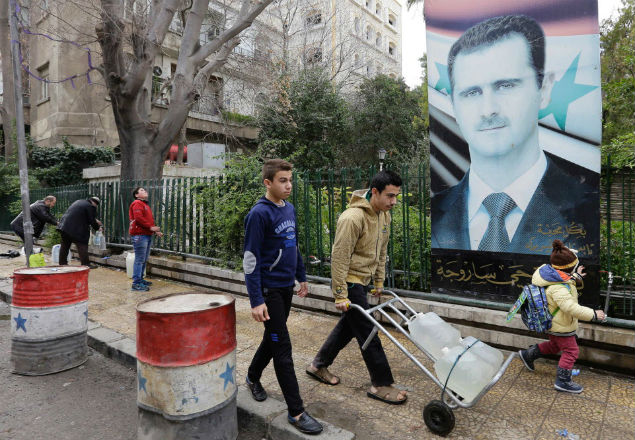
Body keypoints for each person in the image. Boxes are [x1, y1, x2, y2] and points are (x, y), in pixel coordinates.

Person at [431, 15, 598, 254]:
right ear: (453, 104)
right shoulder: (437, 212)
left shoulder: (586, 209)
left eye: (506, 86)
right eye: (471, 93)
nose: (488, 110)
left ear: (545, 89)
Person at [306, 170, 408, 405]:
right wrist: (340, 294)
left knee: (348, 327)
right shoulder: (352, 218)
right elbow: (340, 257)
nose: (394, 202)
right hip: (350, 281)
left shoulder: (384, 215)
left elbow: (382, 251)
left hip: (363, 280)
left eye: (396, 197)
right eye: (390, 196)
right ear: (374, 192)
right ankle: (381, 383)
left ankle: (318, 365)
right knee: (368, 331)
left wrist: (379, 281)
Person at [243, 159, 323, 436]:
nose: (289, 185)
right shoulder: (259, 214)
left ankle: (252, 376)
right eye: (282, 180)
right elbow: (250, 259)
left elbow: (292, 244)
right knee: (282, 347)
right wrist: (256, 299)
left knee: (272, 336)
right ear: (268, 183)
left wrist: (301, 276)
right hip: (268, 291)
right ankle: (296, 411)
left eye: (290, 180)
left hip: (286, 287)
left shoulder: (288, 208)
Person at [518, 239, 605, 393]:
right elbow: (570, 307)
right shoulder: (558, 288)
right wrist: (594, 314)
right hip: (561, 326)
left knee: (554, 346)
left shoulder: (554, 276)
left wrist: (576, 276)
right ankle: (563, 381)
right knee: (571, 351)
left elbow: (566, 280)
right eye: (575, 267)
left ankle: (527, 354)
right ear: (569, 269)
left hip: (555, 323)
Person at [129, 187, 163, 292]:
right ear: (136, 195)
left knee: (143, 259)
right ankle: (136, 283)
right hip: (140, 235)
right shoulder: (137, 203)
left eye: (145, 190)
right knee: (139, 259)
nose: (145, 191)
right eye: (142, 190)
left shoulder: (144, 204)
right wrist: (151, 227)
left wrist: (154, 230)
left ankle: (140, 279)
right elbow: (138, 219)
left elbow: (147, 220)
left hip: (146, 234)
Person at [57, 197, 102, 267]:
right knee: (82, 244)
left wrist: (95, 220)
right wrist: (97, 227)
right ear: (94, 203)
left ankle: (62, 263)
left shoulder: (79, 201)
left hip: (64, 227)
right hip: (75, 229)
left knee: (65, 245)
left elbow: (79, 214)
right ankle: (86, 264)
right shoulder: (90, 206)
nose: (95, 207)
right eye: (96, 206)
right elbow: (91, 220)